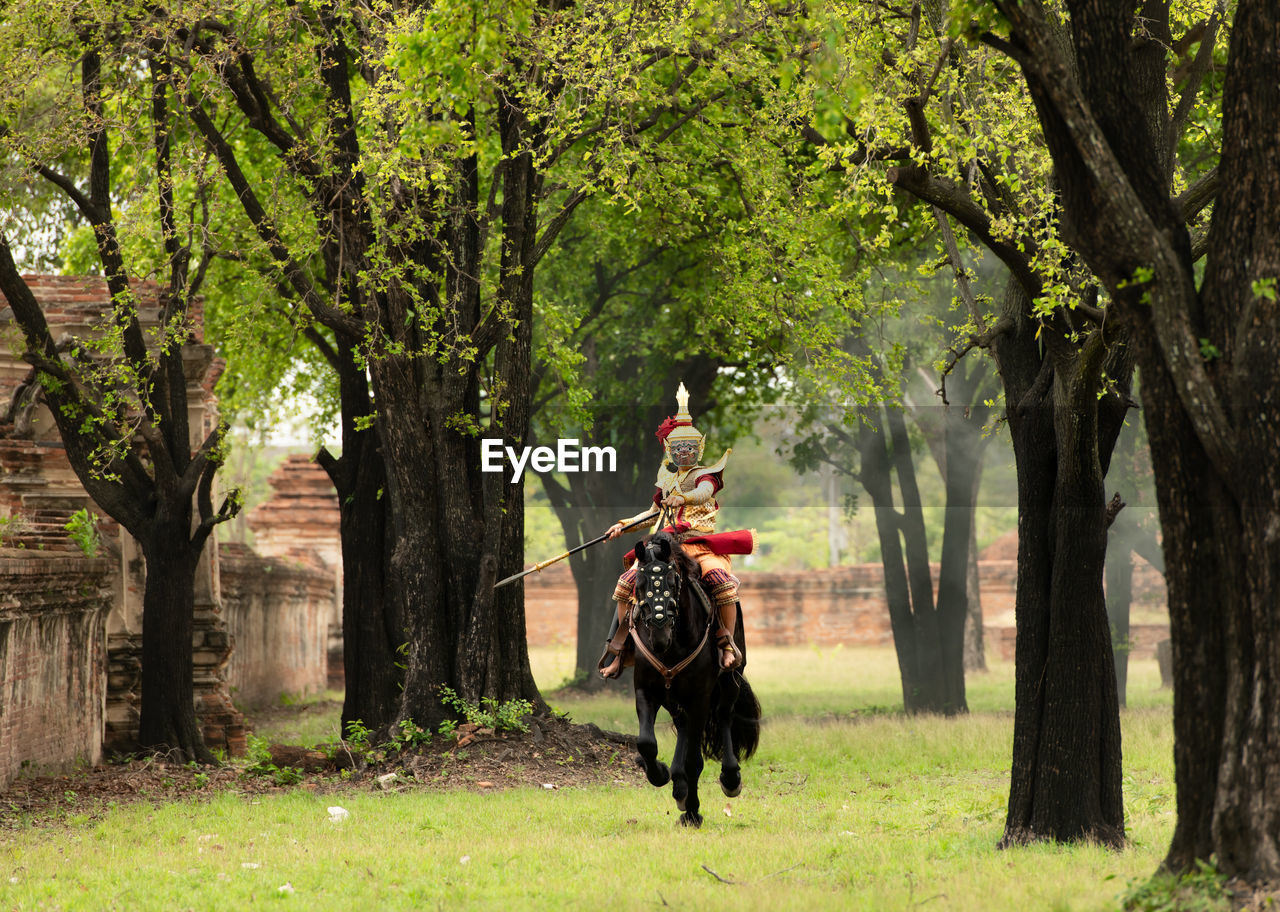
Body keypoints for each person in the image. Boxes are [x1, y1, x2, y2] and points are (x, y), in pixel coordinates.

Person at [598, 382, 754, 679]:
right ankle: (620, 651)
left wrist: (684, 496)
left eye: (690, 448)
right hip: (664, 548)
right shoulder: (666, 481)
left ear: (700, 448)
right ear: (670, 450)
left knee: (721, 582)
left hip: (699, 546)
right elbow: (652, 514)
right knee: (626, 583)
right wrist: (623, 525)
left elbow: (704, 494)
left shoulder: (706, 476)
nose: (685, 452)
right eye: (679, 448)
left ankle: (728, 646)